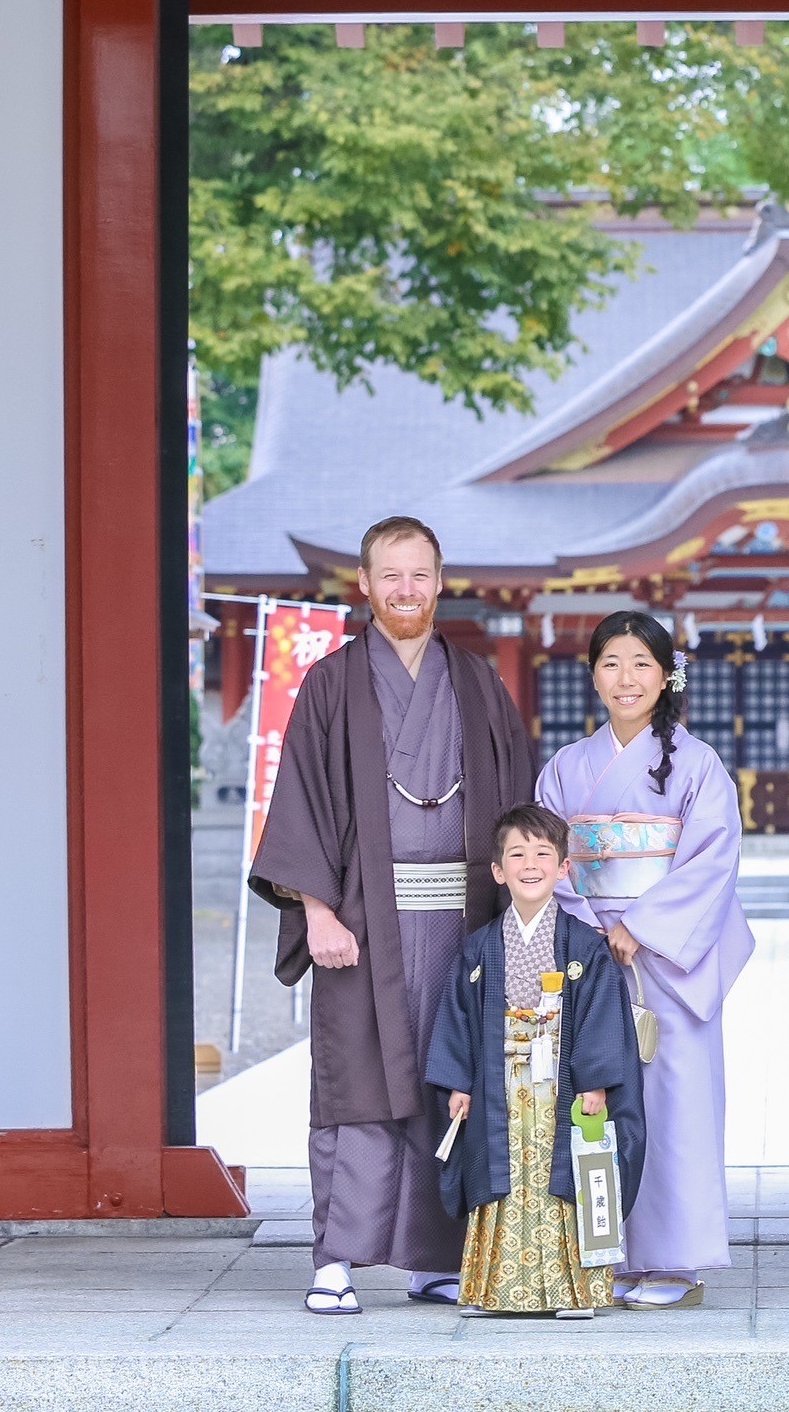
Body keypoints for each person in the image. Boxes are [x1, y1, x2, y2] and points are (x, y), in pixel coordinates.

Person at [248, 515, 535, 1316]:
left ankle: (437, 1258)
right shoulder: (333, 684)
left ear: (441, 582)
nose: (407, 590)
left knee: (456, 1081)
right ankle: (338, 1258)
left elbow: (519, 804)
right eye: (391, 576)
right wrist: (318, 912)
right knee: (358, 1085)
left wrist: (520, 917)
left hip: (466, 922)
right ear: (365, 586)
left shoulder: (478, 683)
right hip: (364, 923)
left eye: (421, 575)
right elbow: (299, 803)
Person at [542, 610, 751, 1311]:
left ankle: (677, 1257)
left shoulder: (698, 765)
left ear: (667, 676)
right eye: (610, 663)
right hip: (590, 952)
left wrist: (640, 924)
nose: (625, 678)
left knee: (674, 1102)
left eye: (640, 663)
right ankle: (610, 1253)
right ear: (593, 673)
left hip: (665, 955)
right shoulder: (567, 767)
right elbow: (545, 857)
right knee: (592, 1101)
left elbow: (713, 859)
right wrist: (586, 926)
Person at [427, 802, 645, 1318]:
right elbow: (458, 1016)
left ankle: (575, 1293)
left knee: (564, 1177)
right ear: (499, 871)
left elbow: (601, 1017)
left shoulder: (584, 949)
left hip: (561, 1085)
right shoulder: (480, 949)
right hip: (499, 1082)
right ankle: (491, 1290)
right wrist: (459, 1082)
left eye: (544, 853)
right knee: (501, 1176)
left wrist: (595, 1083)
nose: (531, 863)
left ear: (564, 867)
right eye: (518, 853)